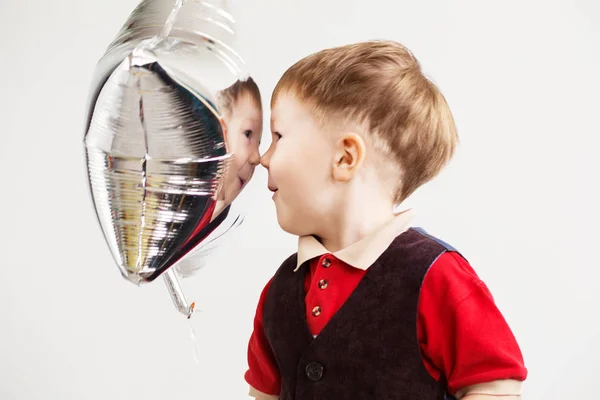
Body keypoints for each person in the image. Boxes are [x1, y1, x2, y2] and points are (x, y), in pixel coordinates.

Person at [245, 41, 527, 399]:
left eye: (278, 137)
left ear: (345, 158)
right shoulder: (280, 291)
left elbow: (494, 383)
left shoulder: (435, 276)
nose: (262, 158)